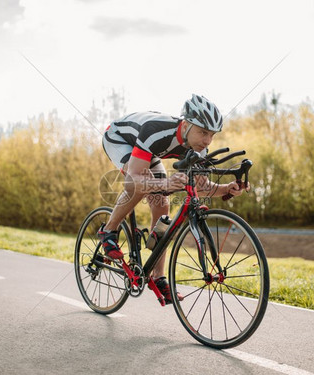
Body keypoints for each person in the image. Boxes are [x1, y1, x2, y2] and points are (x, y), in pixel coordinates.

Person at [99, 94, 250, 304]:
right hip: (120, 138)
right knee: (142, 185)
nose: (207, 140)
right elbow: (133, 181)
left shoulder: (199, 146)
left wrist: (227, 188)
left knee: (162, 203)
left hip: (147, 149)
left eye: (212, 135)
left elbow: (202, 186)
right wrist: (167, 184)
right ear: (186, 125)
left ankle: (158, 277)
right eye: (203, 132)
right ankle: (108, 231)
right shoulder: (157, 131)